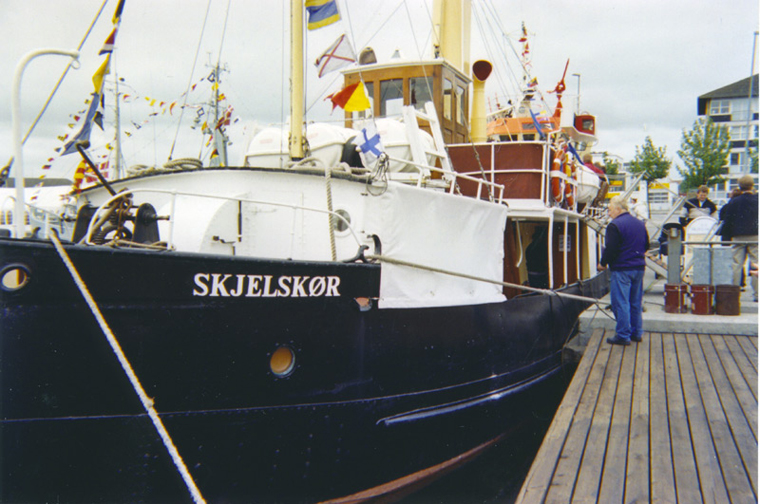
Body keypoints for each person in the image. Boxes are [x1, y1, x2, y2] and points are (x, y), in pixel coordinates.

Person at [598, 196, 649, 346]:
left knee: (621, 302)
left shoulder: (614, 225)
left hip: (622, 269)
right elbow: (646, 245)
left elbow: (611, 249)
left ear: (618, 209)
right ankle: (636, 333)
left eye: (610, 210)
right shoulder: (640, 223)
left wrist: (603, 263)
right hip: (639, 268)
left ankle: (623, 335)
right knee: (635, 302)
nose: (609, 214)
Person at [720, 175, 758, 301]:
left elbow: (728, 220)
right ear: (752, 185)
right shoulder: (757, 200)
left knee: (736, 264)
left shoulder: (734, 201)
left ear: (740, 186)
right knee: (756, 265)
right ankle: (757, 294)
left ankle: (734, 293)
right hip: (755, 235)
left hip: (738, 236)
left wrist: (726, 237)